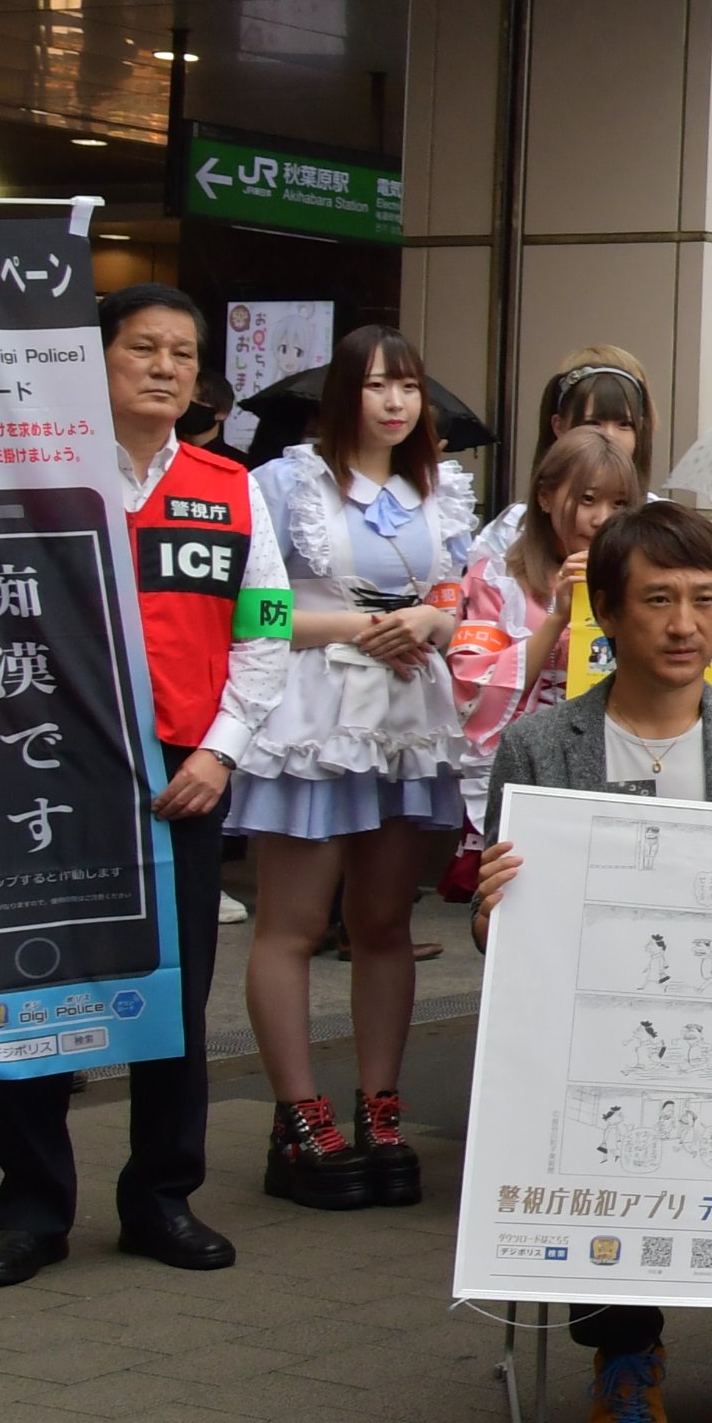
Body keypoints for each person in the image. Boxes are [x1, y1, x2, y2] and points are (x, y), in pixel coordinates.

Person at [472, 502, 712, 1423]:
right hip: (596, 1024)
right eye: (657, 601)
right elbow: (516, 939)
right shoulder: (539, 748)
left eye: (704, 601)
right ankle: (623, 1355)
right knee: (591, 1107)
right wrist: (491, 916)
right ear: (605, 609)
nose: (684, 625)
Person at [0, 286, 282, 1283]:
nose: (164, 366)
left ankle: (159, 1196)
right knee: (38, 989)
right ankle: (32, 1209)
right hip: (46, 780)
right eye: (143, 347)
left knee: (171, 997)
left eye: (183, 354)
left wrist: (220, 749)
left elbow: (266, 632)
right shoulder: (34, 480)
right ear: (95, 360)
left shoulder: (231, 487)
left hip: (180, 782)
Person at [231, 322, 480, 1210]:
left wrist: (433, 623)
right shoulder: (284, 480)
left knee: (382, 922)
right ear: (344, 394)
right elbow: (253, 607)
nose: (393, 400)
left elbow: (462, 600)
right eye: (375, 384)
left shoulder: (441, 489)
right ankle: (299, 1115)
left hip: (407, 713)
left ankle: (380, 1106)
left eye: (407, 385)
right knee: (293, 922)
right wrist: (363, 626)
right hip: (315, 709)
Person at [450, 427, 641, 765]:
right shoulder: (496, 579)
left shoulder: (641, 579)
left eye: (620, 503)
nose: (602, 519)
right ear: (545, 497)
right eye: (587, 500)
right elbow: (473, 696)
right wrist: (557, 620)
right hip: (524, 758)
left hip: (621, 756)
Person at [466, 346, 655, 561]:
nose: (609, 436)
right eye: (592, 423)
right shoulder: (513, 530)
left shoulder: (659, 526)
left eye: (625, 424)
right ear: (559, 426)